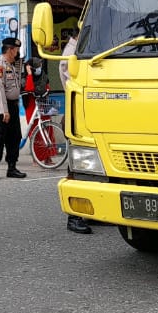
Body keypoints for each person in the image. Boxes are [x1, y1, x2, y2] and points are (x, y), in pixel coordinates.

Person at [59, 30, 92, 234]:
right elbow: (75, 82)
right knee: (77, 166)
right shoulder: (72, 53)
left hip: (85, 114)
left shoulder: (80, 49)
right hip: (77, 115)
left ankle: (90, 211)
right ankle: (74, 216)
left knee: (91, 167)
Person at [0, 36, 27, 181]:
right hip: (0, 106)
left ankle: (12, 168)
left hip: (13, 105)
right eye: (16, 50)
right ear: (10, 50)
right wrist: (4, 111)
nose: (17, 53)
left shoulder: (12, 66)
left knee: (14, 137)